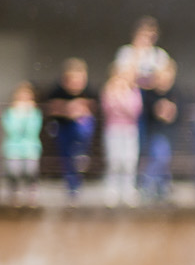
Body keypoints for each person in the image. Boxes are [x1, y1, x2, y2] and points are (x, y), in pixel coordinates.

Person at [43, 59, 96, 200]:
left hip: (79, 127)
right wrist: (67, 110)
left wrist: (80, 109)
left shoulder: (88, 91)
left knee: (84, 124)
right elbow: (51, 108)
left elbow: (92, 108)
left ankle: (81, 152)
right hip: (63, 126)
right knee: (66, 158)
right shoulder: (57, 91)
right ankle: (72, 187)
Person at [100, 64, 144, 206]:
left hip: (129, 130)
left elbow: (134, 112)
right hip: (113, 129)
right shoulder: (109, 91)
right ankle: (112, 190)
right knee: (114, 160)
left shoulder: (134, 92)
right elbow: (107, 109)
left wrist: (122, 99)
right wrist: (117, 97)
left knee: (129, 161)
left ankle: (128, 190)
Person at [140, 57, 182, 201]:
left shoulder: (175, 93)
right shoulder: (150, 94)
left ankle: (161, 186)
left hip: (170, 134)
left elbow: (179, 112)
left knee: (163, 159)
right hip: (154, 133)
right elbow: (147, 112)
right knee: (160, 156)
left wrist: (172, 111)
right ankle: (149, 186)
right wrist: (158, 110)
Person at [3, 82, 41, 204]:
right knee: (14, 170)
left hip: (30, 148)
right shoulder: (10, 113)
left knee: (30, 170)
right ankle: (14, 193)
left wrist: (28, 113)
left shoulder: (35, 113)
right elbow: (11, 131)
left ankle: (31, 192)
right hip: (13, 148)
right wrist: (18, 114)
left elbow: (32, 131)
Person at [113, 17, 172, 91]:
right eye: (144, 35)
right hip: (132, 91)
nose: (147, 40)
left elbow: (163, 83)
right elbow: (123, 77)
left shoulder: (159, 54)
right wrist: (136, 54)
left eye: (151, 36)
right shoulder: (126, 52)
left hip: (153, 93)